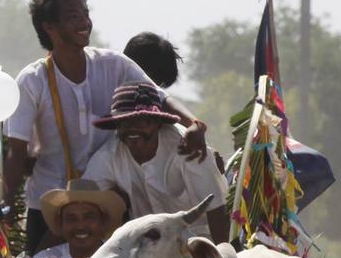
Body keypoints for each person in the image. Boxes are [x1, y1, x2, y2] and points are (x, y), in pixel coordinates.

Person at [3, 0, 209, 253]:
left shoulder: (113, 64)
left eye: (85, 14)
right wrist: (3, 208)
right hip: (50, 205)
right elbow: (16, 151)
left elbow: (160, 98)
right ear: (49, 27)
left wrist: (194, 125)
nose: (84, 22)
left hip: (109, 203)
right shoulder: (31, 81)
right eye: (73, 17)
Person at [83, 83, 230, 242]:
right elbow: (82, 204)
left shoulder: (189, 147)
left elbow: (217, 210)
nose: (132, 129)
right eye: (124, 123)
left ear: (157, 123)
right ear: (116, 127)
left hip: (199, 240)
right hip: (146, 247)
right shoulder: (108, 156)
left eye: (141, 122)